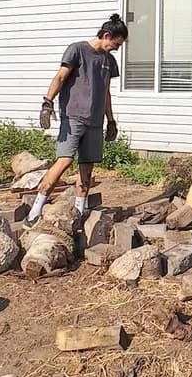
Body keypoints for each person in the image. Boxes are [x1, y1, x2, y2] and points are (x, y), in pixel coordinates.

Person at [26, 14, 127, 225]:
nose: (117, 49)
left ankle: (79, 213)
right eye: (116, 44)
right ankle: (35, 211)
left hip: (95, 121)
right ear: (106, 35)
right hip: (73, 117)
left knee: (87, 167)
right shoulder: (78, 50)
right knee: (65, 160)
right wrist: (47, 103)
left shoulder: (109, 61)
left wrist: (111, 120)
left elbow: (106, 92)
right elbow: (60, 77)